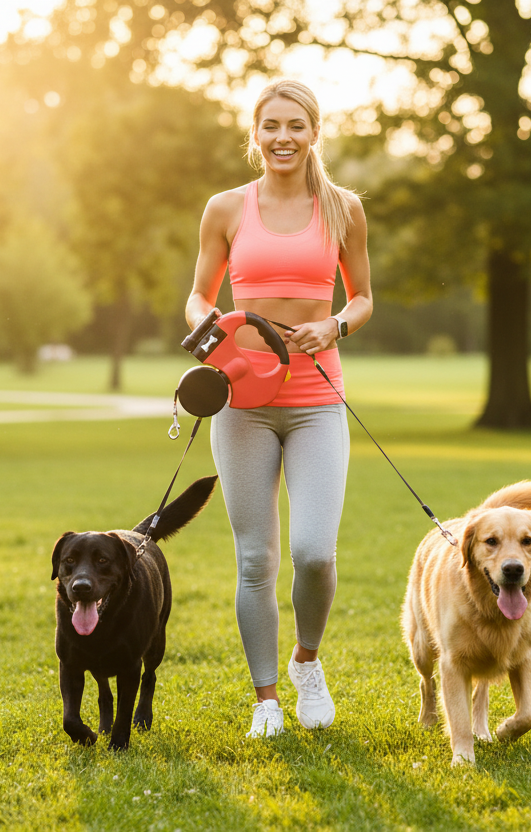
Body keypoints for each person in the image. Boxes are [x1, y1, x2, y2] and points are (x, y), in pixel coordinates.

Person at [184, 79, 373, 738]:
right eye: (271, 126)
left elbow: (364, 298)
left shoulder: (343, 208)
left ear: (314, 132)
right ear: (255, 134)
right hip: (244, 402)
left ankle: (306, 662)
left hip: (318, 400)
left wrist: (337, 327)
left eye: (296, 125)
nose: (283, 138)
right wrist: (210, 337)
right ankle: (266, 699)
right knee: (255, 560)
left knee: (315, 552)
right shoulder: (227, 209)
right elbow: (198, 297)